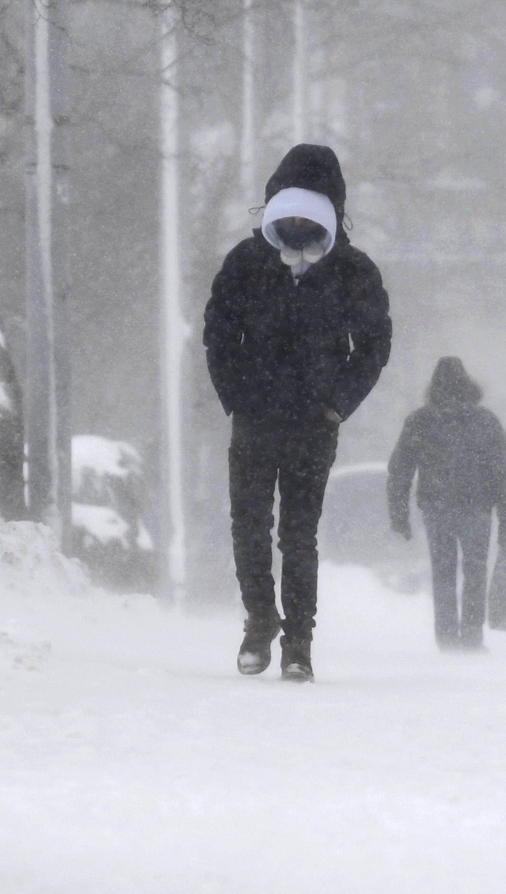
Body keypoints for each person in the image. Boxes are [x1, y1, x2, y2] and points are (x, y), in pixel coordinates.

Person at [203, 144, 392, 682]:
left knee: (298, 532)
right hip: (258, 416)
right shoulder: (246, 263)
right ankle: (261, 622)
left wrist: (336, 405)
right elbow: (218, 331)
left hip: (312, 422)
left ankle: (298, 641)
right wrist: (236, 394)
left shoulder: (353, 272)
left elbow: (374, 345)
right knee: (250, 524)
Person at [387, 358, 506, 651]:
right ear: (467, 384)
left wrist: (400, 514)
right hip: (477, 508)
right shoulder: (485, 421)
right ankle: (471, 634)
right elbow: (503, 474)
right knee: (475, 571)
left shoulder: (421, 421)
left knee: (443, 572)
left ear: (433, 387)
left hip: (437, 509)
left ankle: (446, 636)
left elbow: (401, 470)